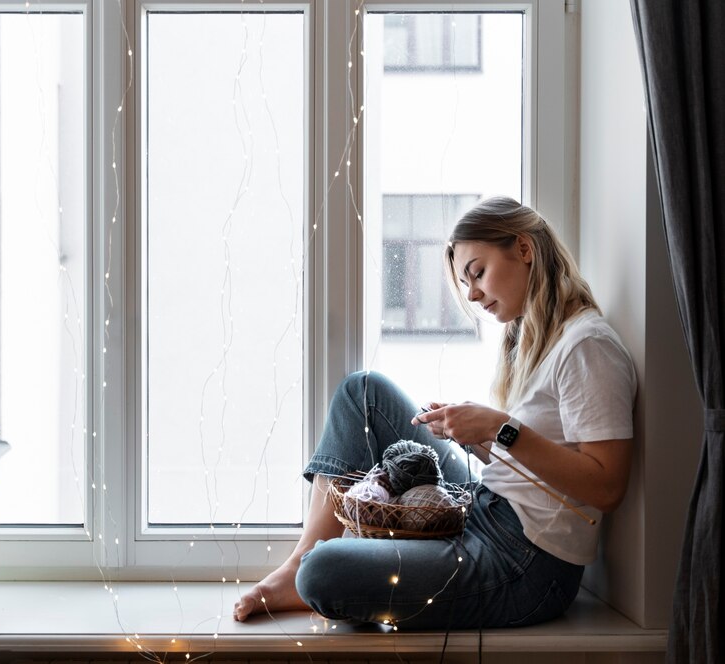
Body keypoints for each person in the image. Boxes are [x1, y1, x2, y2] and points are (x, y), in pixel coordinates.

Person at [233, 196, 637, 629]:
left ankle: (309, 571)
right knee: (363, 392)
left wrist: (498, 427)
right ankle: (298, 563)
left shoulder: (587, 346)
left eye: (477, 272)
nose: (473, 293)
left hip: (524, 564)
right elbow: (535, 467)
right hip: (485, 509)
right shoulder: (543, 340)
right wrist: (475, 436)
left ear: (524, 249)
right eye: (467, 281)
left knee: (325, 571)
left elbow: (606, 486)